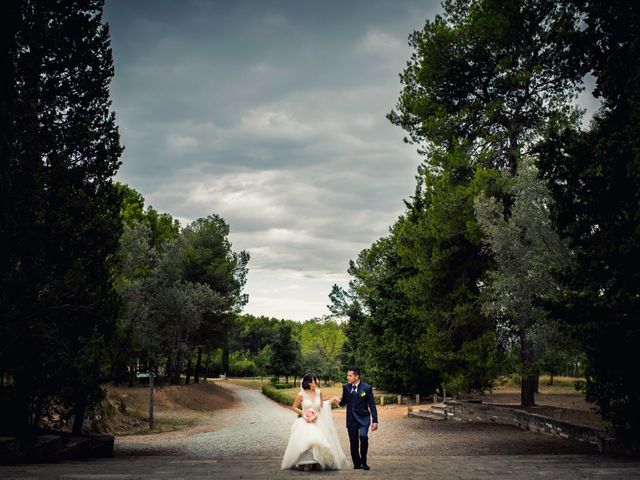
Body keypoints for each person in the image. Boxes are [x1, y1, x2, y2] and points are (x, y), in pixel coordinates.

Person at [280, 372, 347, 471]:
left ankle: (316, 462)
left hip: (317, 421)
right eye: (315, 380)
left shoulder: (319, 392)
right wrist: (303, 413)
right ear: (310, 382)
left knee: (318, 440)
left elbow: (321, 407)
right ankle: (306, 463)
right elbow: (293, 407)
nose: (317, 381)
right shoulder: (301, 394)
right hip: (305, 421)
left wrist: (331, 401)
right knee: (308, 439)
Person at [330, 366, 378, 470]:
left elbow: (372, 405)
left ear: (356, 376)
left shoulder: (366, 388)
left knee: (363, 437)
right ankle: (357, 464)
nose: (347, 377)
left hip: (364, 418)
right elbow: (343, 402)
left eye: (350, 375)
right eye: (347, 375)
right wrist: (335, 400)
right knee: (353, 442)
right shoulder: (346, 387)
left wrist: (375, 420)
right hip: (351, 419)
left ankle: (364, 462)